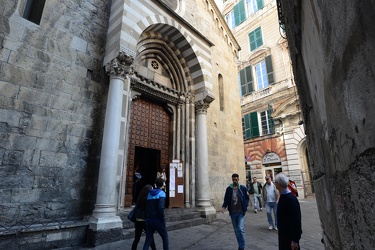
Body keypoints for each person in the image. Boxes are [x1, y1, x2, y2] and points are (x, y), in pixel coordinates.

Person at [220, 173, 249, 250]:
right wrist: (223, 207)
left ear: (238, 179)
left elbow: (247, 198)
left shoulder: (242, 188)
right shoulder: (229, 189)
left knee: (240, 229)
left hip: (240, 212)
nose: (235, 181)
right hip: (233, 213)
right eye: (233, 179)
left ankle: (242, 247)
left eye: (236, 179)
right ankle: (240, 246)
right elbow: (226, 199)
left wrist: (245, 207)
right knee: (236, 231)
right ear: (232, 179)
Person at [275, 173, 302, 250]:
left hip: (290, 237)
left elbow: (297, 220)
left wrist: (295, 240)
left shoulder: (291, 199)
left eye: (275, 182)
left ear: (279, 184)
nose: (275, 184)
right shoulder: (283, 196)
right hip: (283, 234)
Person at [143, 178, 169, 250]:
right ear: (163, 185)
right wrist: (162, 218)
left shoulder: (149, 194)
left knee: (148, 240)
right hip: (158, 220)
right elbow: (161, 207)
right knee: (165, 237)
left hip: (149, 219)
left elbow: (146, 206)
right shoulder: (162, 193)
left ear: (155, 184)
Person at [131, 185, 156, 250]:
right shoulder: (149, 199)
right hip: (145, 221)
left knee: (136, 238)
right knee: (150, 238)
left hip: (138, 220)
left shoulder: (140, 198)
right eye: (152, 189)